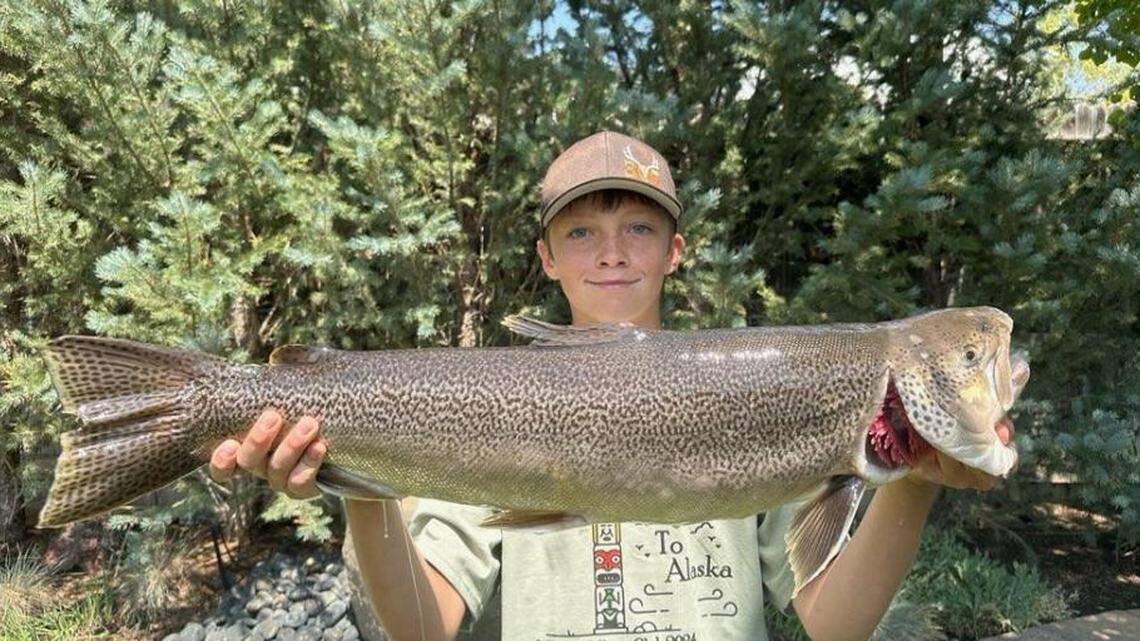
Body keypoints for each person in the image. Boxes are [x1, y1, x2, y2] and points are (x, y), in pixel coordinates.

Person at [208, 131, 1014, 641]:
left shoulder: (763, 394)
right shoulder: (501, 408)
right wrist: (358, 480)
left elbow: (835, 626)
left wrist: (915, 478)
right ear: (547, 256)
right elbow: (426, 628)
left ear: (674, 249)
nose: (612, 252)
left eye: (639, 227)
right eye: (581, 231)